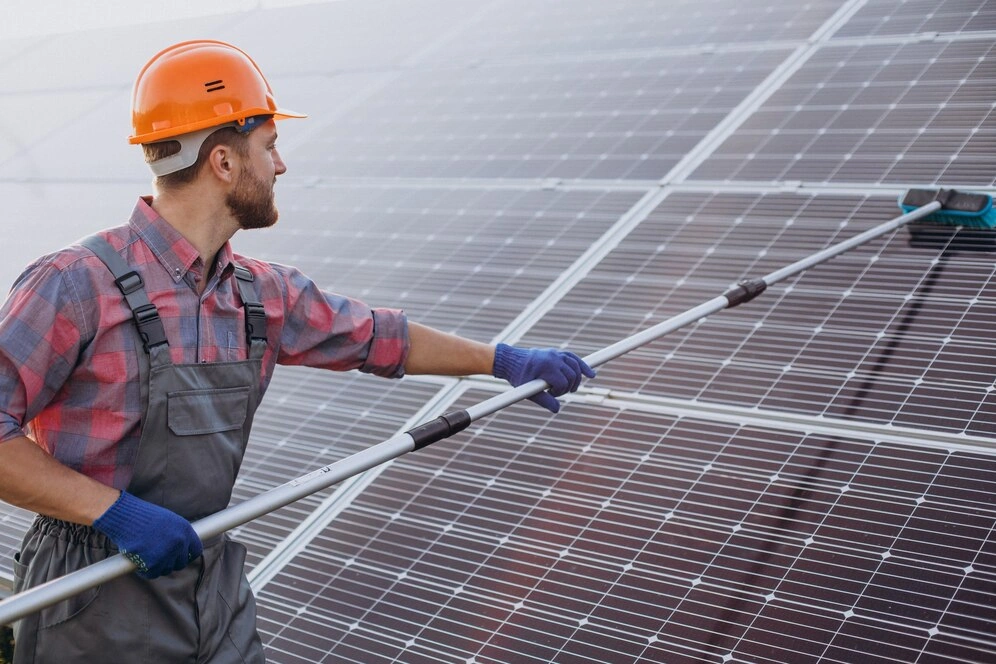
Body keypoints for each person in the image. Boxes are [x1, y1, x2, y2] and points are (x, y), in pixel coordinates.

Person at [0, 40, 594, 663]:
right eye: (270, 146)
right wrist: (114, 514)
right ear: (224, 161)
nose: (280, 166)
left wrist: (500, 361)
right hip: (93, 589)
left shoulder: (261, 293)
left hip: (210, 577)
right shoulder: (74, 284)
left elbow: (379, 337)